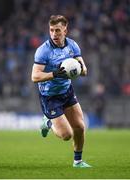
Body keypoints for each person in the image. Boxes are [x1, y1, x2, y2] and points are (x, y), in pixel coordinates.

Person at [31, 15, 91, 168]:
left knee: (80, 127)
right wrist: (54, 74)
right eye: (51, 30)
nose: (54, 34)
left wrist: (78, 69)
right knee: (66, 135)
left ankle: (78, 161)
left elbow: (84, 70)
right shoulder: (43, 51)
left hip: (67, 91)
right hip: (50, 96)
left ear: (65, 30)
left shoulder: (72, 46)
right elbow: (35, 76)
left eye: (57, 30)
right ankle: (48, 122)